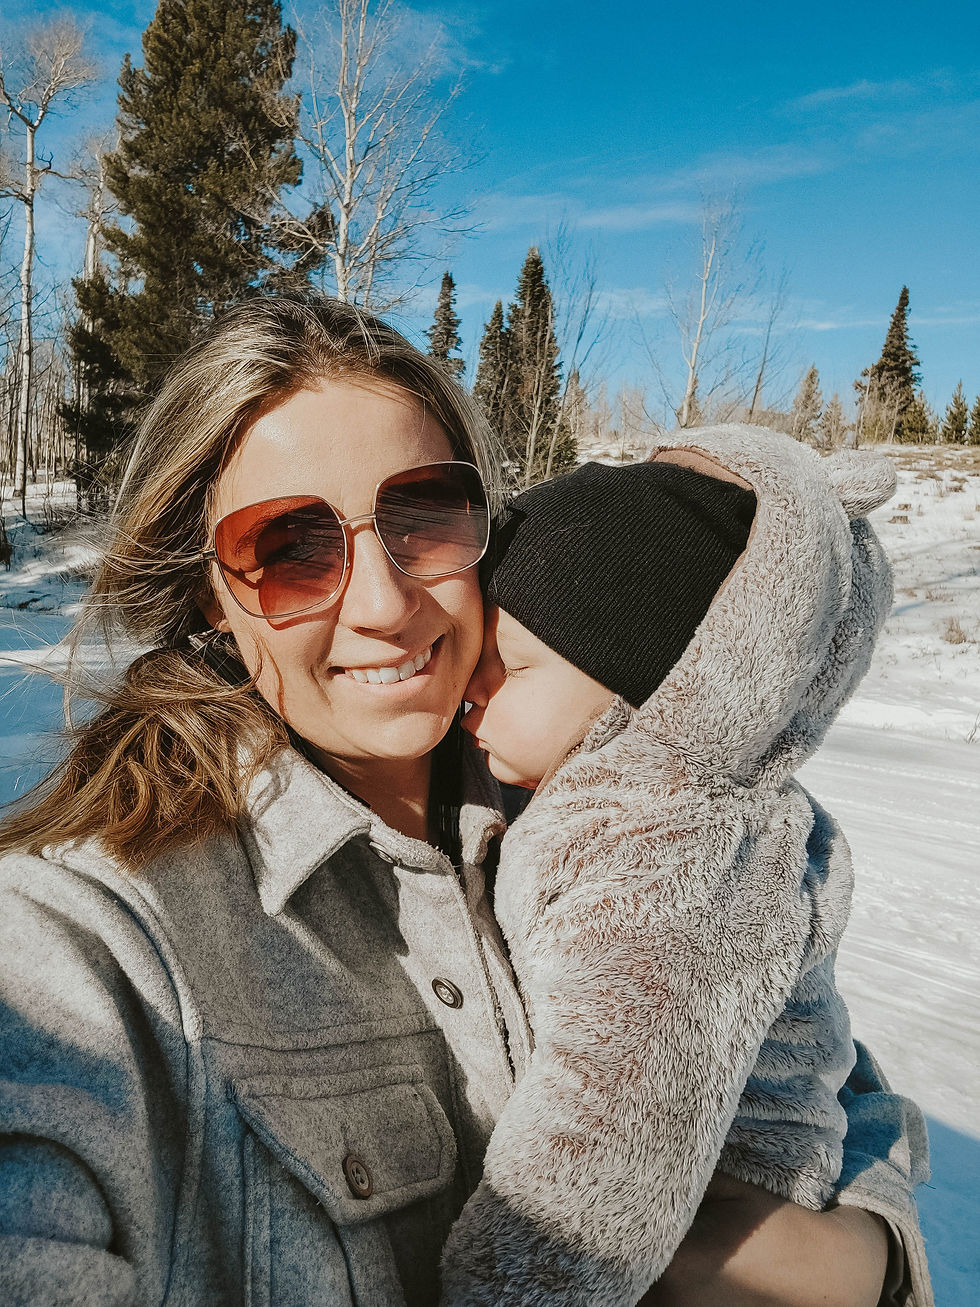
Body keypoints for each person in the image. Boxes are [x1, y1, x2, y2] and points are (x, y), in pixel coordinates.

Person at [0, 294, 930, 1306]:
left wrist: (854, 1261)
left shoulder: (613, 801)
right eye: (291, 546)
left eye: (422, 514)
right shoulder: (84, 941)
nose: (383, 604)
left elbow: (841, 1099)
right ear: (208, 599)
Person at [444, 433, 935, 1305]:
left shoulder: (663, 846)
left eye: (507, 664)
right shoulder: (610, 798)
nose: (470, 688)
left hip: (725, 1215)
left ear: (650, 687)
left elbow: (605, 1141)